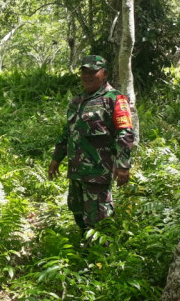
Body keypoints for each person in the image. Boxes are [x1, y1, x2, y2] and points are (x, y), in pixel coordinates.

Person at [48, 54, 135, 231]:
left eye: (93, 72)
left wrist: (123, 165)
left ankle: (102, 255)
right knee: (78, 214)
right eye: (84, 72)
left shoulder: (114, 99)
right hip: (76, 172)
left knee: (99, 220)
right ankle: (85, 253)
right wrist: (56, 158)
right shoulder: (76, 102)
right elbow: (68, 133)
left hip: (98, 172)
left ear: (105, 74)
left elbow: (125, 132)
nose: (87, 76)